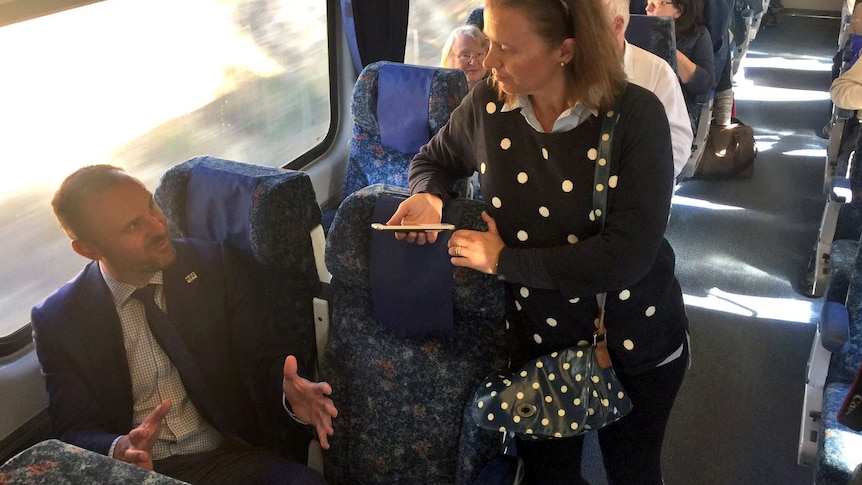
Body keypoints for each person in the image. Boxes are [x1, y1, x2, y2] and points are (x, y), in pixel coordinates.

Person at [386, 0, 689, 483]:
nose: (488, 62)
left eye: (506, 48)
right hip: (538, 341)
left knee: (632, 471)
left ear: (565, 50)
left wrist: (504, 261)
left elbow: (627, 256)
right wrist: (430, 199)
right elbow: (433, 161)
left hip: (633, 339)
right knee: (548, 477)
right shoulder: (489, 104)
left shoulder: (636, 116)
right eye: (488, 44)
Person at [31, 166, 337, 484]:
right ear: (89, 249)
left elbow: (262, 357)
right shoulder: (59, 320)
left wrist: (285, 389)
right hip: (138, 473)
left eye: (150, 206)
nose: (158, 227)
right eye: (134, 225)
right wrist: (119, 448)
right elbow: (73, 430)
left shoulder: (212, 265)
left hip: (227, 457)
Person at [605, 0, 693, 178]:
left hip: (634, 190)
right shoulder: (563, 68)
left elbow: (675, 148)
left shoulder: (657, 73)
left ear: (617, 26)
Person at [646, 0, 715, 132]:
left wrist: (669, 48)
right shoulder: (636, 32)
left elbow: (704, 86)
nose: (648, 8)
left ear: (678, 11)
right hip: (642, 106)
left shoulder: (698, 35)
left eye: (657, 3)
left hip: (679, 111)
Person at [441, 24, 490, 90]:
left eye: (479, 54)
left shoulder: (500, 91)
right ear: (449, 59)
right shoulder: (441, 95)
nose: (474, 62)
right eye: (465, 56)